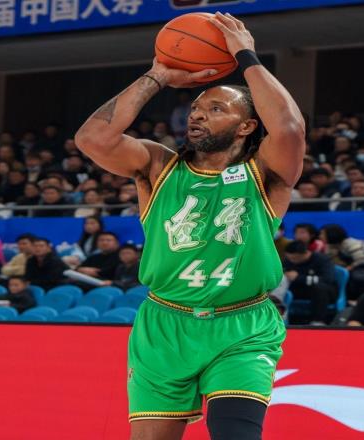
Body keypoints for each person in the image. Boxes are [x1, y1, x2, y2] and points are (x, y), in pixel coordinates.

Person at [75, 12, 305, 440]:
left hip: (242, 325)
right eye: (196, 108)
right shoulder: (157, 165)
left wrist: (245, 55)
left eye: (216, 109)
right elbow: (92, 140)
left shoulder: (266, 172)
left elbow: (289, 127)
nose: (197, 116)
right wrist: (158, 75)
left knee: (235, 434)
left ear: (247, 126)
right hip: (165, 324)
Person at [283, 240, 337, 325]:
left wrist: (299, 278)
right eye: (289, 258)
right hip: (300, 290)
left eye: (294, 258)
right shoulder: (288, 261)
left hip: (324, 291)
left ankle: (318, 321)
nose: (291, 261)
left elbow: (327, 279)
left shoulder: (322, 260)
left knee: (319, 288)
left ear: (304, 254)